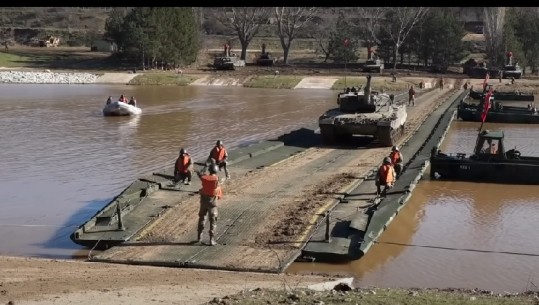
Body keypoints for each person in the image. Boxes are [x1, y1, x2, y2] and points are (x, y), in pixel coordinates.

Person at [196, 164, 222, 246]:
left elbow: (201, 176)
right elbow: (219, 192)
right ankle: (211, 240)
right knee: (213, 221)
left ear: (209, 170)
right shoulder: (216, 179)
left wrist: (198, 172)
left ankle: (199, 238)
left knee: (202, 218)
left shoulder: (204, 178)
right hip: (213, 204)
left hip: (204, 202)